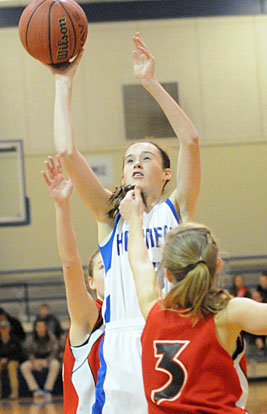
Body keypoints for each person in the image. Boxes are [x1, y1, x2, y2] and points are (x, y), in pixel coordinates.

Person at [49, 33, 201, 413]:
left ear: (166, 174)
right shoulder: (108, 215)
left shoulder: (176, 210)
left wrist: (151, 83)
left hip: (169, 337)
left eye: (147, 158)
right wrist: (62, 81)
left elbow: (192, 140)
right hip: (119, 340)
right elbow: (66, 152)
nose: (136, 163)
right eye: (130, 159)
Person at [119, 185, 267, 413]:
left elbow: (139, 262)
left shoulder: (153, 310)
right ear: (217, 266)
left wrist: (134, 219)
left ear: (167, 273)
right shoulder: (228, 313)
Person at [42, 155, 104, 413]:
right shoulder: (89, 315)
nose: (110, 270)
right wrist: (61, 206)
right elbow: (70, 263)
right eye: (103, 267)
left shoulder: (138, 314)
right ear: (90, 282)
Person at [20, 318, 60, 402]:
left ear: (45, 327)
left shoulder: (51, 337)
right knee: (24, 366)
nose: (41, 328)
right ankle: (35, 389)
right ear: (36, 328)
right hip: (35, 361)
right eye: (39, 327)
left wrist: (48, 360)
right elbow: (28, 351)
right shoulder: (31, 338)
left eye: (42, 326)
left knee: (56, 364)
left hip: (48, 360)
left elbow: (55, 351)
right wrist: (33, 361)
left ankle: (47, 389)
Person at [0, 319, 25, 399]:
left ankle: (14, 391)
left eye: (5, 328)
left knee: (11, 366)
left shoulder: (15, 340)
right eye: (2, 328)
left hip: (13, 361)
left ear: (9, 329)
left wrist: (8, 359)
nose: (4, 330)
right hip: (1, 361)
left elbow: (19, 354)